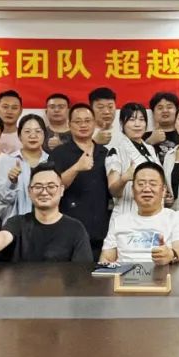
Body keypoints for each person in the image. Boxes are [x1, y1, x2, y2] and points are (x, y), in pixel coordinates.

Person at [0, 163, 94, 262]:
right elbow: (5, 236)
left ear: (61, 190)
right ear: (29, 191)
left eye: (51, 186)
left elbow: (82, 271)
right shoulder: (17, 222)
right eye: (38, 187)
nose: (44, 192)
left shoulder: (75, 229)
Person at [100, 162, 179, 265]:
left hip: (162, 273)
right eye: (141, 184)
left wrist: (171, 254)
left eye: (153, 184)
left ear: (163, 190)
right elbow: (106, 258)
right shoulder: (119, 221)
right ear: (132, 190)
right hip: (124, 274)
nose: (147, 189)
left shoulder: (176, 218)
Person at [50, 103, 111, 257]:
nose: (83, 125)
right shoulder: (59, 153)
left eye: (87, 121)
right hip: (67, 231)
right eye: (78, 121)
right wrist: (76, 167)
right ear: (69, 125)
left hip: (100, 232)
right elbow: (52, 187)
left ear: (95, 123)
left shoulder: (105, 153)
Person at [106, 102, 161, 216]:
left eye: (141, 119)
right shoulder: (116, 151)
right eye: (132, 119)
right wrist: (124, 178)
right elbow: (113, 191)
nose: (137, 124)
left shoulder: (151, 149)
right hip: (127, 214)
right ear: (122, 123)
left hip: (153, 215)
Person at [0, 114, 49, 225]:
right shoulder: (8, 161)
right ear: (19, 136)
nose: (33, 135)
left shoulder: (51, 160)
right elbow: (3, 198)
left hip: (46, 222)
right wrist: (11, 182)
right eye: (27, 131)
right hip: (16, 224)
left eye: (38, 131)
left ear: (44, 135)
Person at [145, 91, 179, 161]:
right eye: (160, 108)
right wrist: (149, 142)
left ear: (177, 111)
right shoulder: (145, 137)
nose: (165, 110)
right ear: (153, 113)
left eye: (169, 107)